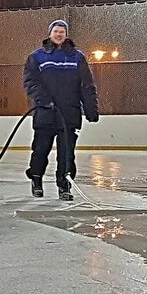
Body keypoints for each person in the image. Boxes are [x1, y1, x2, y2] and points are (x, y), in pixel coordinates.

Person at [23, 18, 99, 201]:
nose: (59, 34)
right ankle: (36, 179)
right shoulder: (37, 57)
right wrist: (44, 99)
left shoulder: (77, 57)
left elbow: (86, 85)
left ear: (66, 35)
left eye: (62, 32)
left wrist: (91, 108)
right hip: (45, 112)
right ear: (50, 33)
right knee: (40, 149)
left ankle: (64, 185)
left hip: (69, 114)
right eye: (56, 31)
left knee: (66, 153)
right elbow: (30, 82)